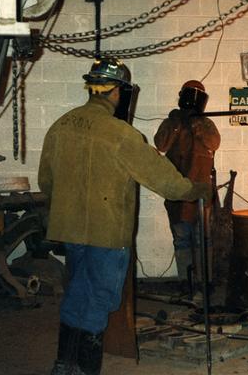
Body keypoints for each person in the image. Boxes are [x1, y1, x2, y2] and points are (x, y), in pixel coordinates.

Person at [39, 58, 212, 375]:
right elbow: (167, 183)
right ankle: (85, 370)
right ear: (118, 92)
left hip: (70, 231)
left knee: (77, 292)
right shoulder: (121, 135)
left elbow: (45, 182)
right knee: (99, 301)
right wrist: (197, 190)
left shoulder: (61, 125)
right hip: (107, 235)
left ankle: (63, 364)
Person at [154, 80, 220, 287]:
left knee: (204, 240)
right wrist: (176, 123)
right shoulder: (171, 121)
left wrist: (196, 123)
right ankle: (186, 281)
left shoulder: (206, 123)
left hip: (201, 191)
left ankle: (205, 282)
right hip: (178, 192)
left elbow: (213, 143)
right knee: (182, 239)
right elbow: (161, 144)